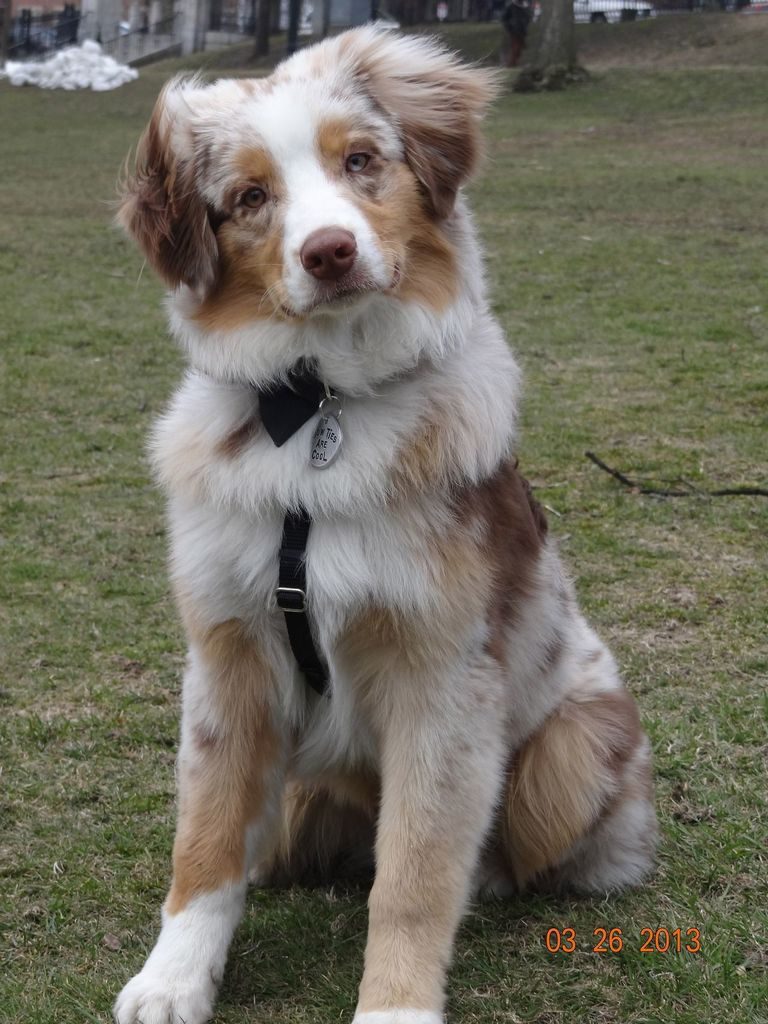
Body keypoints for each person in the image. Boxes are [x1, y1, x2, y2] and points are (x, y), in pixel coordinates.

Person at [501, 0, 532, 68]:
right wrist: (509, 27)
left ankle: (516, 62)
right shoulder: (511, 6)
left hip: (523, 30)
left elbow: (528, 16)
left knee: (520, 48)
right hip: (513, 30)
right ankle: (511, 64)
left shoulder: (525, 6)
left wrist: (526, 24)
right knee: (515, 47)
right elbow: (504, 18)